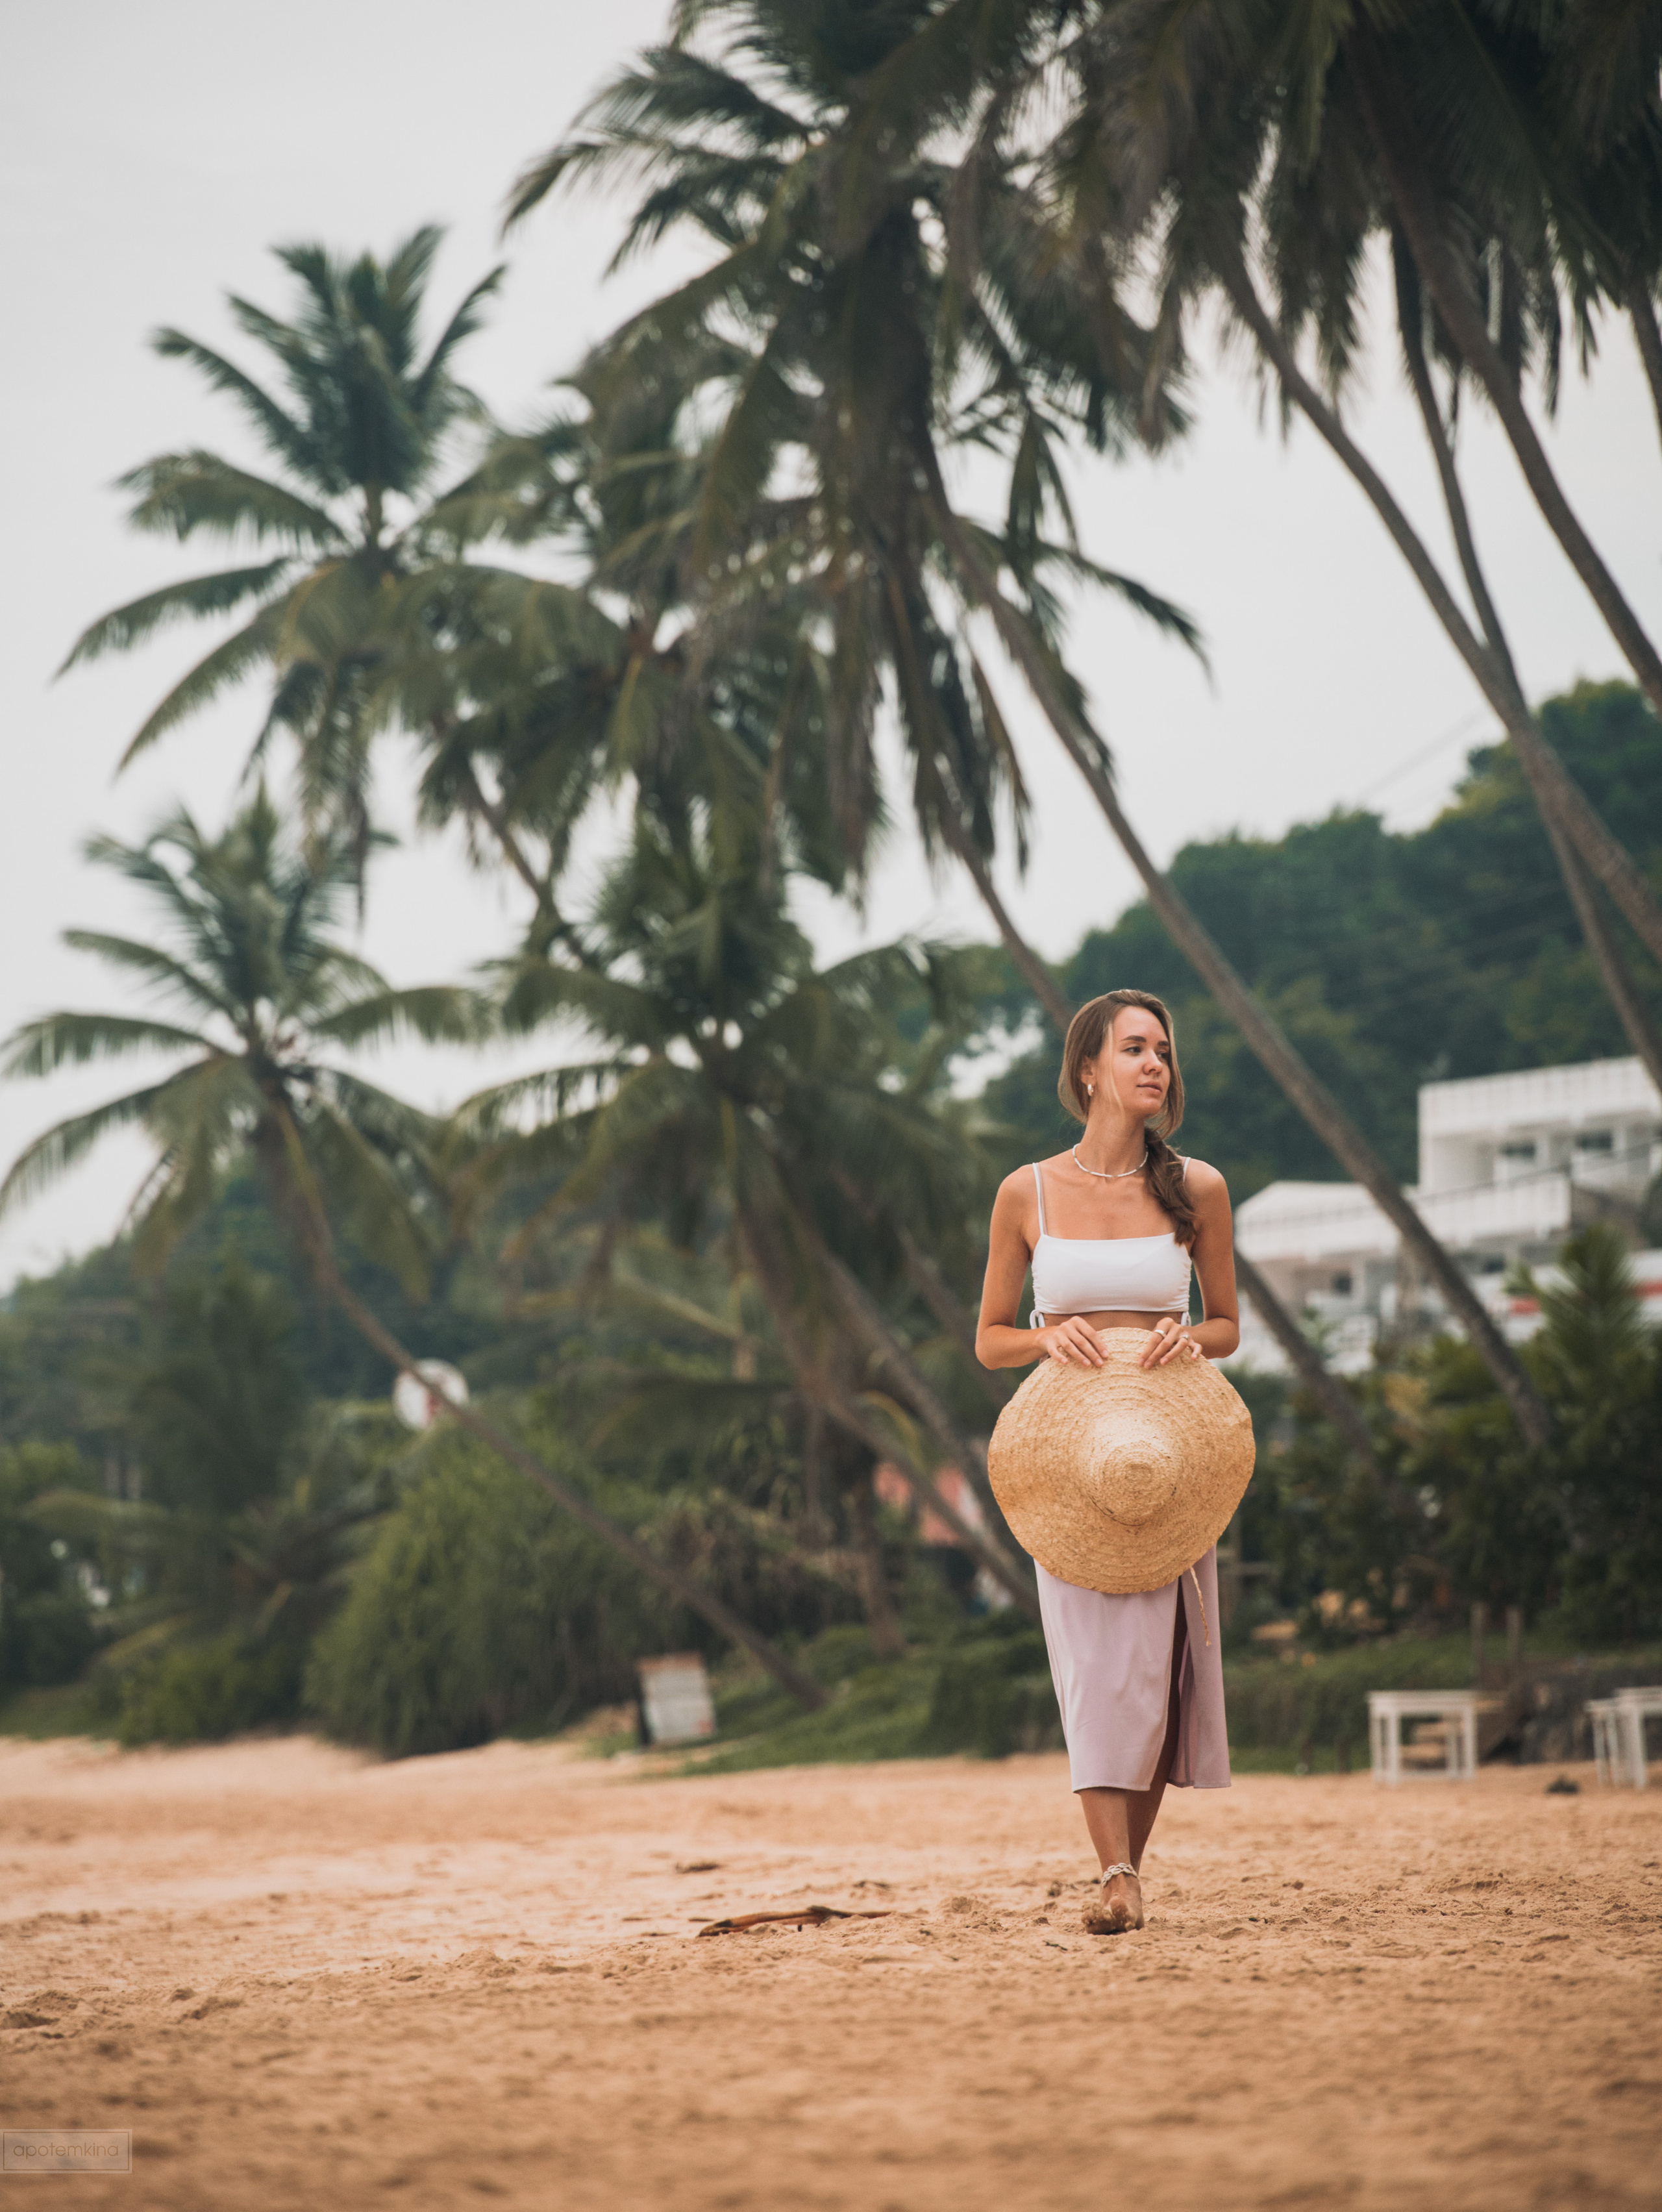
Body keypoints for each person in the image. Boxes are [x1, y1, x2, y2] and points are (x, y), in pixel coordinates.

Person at [975, 988, 1241, 1935]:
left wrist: (1190, 1341)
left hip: (1167, 1449)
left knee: (1159, 1675)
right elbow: (990, 1340)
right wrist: (1048, 1341)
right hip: (1068, 1451)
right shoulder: (1028, 1191)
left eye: (1163, 1050)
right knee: (1092, 1671)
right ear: (1088, 1069)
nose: (1154, 1064)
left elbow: (1229, 1327)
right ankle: (1114, 1872)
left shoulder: (1196, 1188)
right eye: (1134, 1048)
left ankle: (1130, 1865)